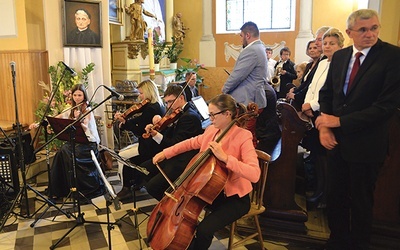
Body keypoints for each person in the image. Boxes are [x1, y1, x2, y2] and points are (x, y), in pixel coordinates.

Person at [315, 9, 400, 249]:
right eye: (363, 30)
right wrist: (324, 127)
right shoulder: (341, 56)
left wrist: (339, 122)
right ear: (350, 32)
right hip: (336, 142)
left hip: (367, 144)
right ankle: (337, 241)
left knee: (362, 202)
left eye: (374, 28)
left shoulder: (392, 57)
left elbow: (386, 106)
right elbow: (327, 94)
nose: (370, 34)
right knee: (335, 198)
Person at [152, 94, 260, 250]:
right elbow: (190, 143)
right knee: (184, 219)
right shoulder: (211, 131)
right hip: (211, 193)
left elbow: (255, 174)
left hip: (234, 199)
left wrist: (226, 158)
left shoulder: (243, 136)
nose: (210, 118)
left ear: (227, 114)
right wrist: (166, 153)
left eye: (212, 115)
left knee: (204, 229)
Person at [302, 28, 345, 208]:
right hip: (313, 114)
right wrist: (306, 104)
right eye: (325, 43)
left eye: (332, 43)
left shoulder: (341, 64)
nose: (327, 46)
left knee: (327, 158)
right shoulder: (321, 63)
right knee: (318, 156)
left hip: (326, 113)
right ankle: (319, 190)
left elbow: (330, 93)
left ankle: (327, 196)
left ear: (341, 45)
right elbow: (312, 87)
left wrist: (313, 105)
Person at [139, 84, 203, 201]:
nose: (168, 106)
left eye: (170, 102)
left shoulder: (189, 116)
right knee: (143, 169)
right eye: (166, 103)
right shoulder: (179, 112)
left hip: (182, 160)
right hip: (173, 154)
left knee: (152, 186)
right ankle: (166, 198)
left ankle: (171, 205)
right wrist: (157, 126)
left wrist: (156, 135)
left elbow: (175, 144)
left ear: (181, 98)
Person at [49, 84, 104, 200]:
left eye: (80, 95)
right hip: (77, 140)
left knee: (68, 152)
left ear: (84, 96)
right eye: (75, 95)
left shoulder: (88, 109)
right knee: (60, 153)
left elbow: (84, 128)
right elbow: (57, 118)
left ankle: (80, 188)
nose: (77, 97)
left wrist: (79, 119)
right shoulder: (71, 109)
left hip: (88, 142)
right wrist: (46, 123)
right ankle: (59, 189)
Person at [114, 80, 165, 200]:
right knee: (130, 159)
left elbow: (140, 131)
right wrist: (125, 121)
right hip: (150, 145)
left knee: (128, 162)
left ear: (148, 92)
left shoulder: (152, 109)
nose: (139, 96)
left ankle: (127, 188)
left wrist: (125, 123)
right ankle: (137, 182)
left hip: (150, 148)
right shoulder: (156, 105)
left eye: (141, 93)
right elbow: (139, 120)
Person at [222, 21, 267, 145]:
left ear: (247, 35)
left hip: (248, 100)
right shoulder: (260, 47)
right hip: (254, 97)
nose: (241, 39)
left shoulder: (251, 50)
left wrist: (224, 91)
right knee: (248, 135)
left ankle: (249, 162)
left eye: (241, 36)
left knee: (246, 137)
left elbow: (238, 75)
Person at [286, 39, 323, 111]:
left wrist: (296, 96)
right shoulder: (309, 65)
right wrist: (294, 90)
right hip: (303, 96)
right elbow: (304, 83)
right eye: (310, 48)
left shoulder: (321, 64)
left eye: (315, 48)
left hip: (311, 99)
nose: (312, 50)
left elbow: (310, 84)